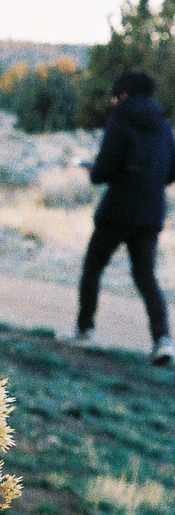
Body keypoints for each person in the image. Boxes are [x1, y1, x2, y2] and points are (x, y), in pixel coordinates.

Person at [74, 70, 175, 364]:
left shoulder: (120, 118)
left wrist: (93, 170)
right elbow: (171, 171)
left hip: (118, 208)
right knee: (146, 276)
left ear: (123, 93)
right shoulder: (163, 125)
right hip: (151, 210)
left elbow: (104, 168)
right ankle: (163, 340)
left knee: (93, 267)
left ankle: (84, 330)